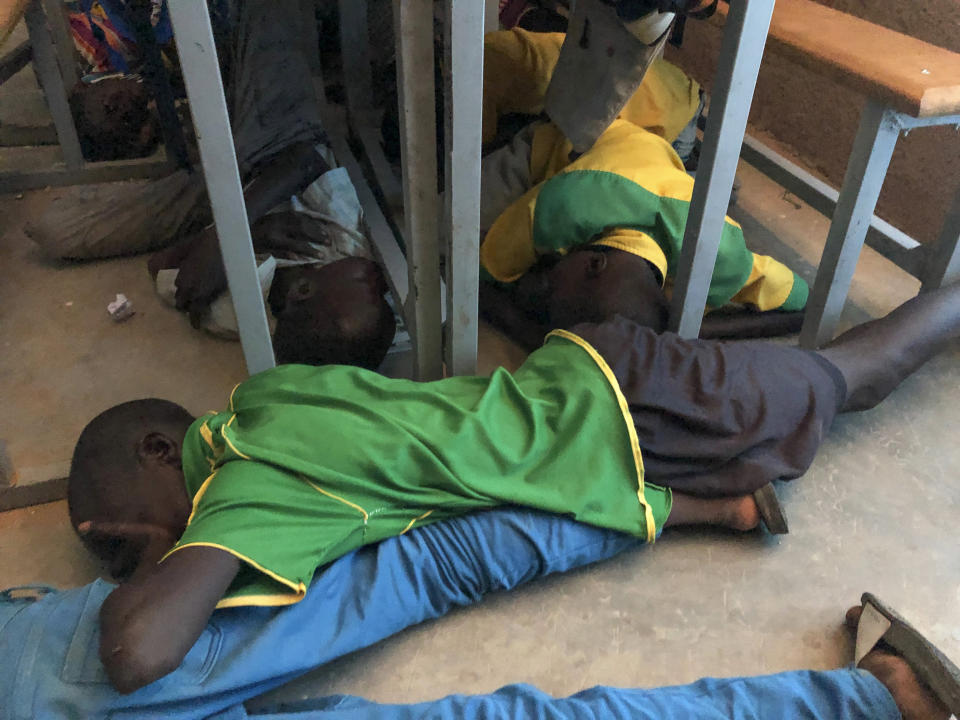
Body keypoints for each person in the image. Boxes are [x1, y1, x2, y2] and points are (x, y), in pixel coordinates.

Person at [66, 281, 960, 693]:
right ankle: (722, 505)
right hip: (592, 396)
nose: (115, 568)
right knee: (519, 507)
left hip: (629, 406)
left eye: (113, 542)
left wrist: (158, 572)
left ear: (159, 447)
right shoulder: (258, 400)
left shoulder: (246, 487)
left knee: (858, 371)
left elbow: (138, 652)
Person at [1, 509, 956, 718]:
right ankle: (686, 497)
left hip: (47, 664)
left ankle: (876, 703)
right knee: (418, 569)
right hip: (45, 659)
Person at [476, 29, 807, 346]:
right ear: (593, 264)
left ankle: (688, 159)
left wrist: (678, 325)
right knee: (462, 218)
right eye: (553, 290)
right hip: (562, 146)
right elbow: (474, 269)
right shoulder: (560, 207)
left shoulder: (719, 251)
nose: (546, 286)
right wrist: (532, 334)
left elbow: (806, 303)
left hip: (656, 146)